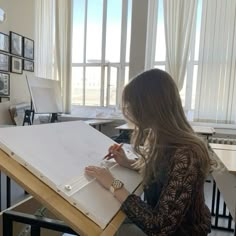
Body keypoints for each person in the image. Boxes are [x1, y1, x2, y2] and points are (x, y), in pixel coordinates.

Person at [85, 69, 214, 235]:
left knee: (105, 230)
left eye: (131, 104)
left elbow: (159, 227)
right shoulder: (160, 137)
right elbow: (164, 174)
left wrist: (113, 184)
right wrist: (127, 163)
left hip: (181, 232)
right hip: (165, 223)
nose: (129, 110)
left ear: (148, 107)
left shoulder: (187, 154)